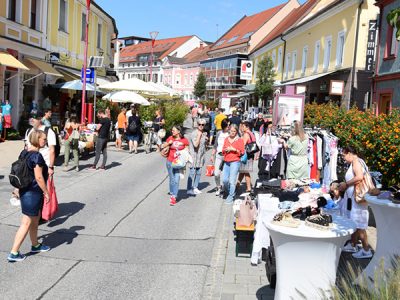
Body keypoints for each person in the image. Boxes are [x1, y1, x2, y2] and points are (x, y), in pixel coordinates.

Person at [7, 129, 50, 262]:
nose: (45, 141)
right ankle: (14, 252)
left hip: (26, 190)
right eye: (43, 139)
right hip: (33, 192)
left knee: (35, 219)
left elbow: (21, 172)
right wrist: (46, 192)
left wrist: (17, 189)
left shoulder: (24, 153)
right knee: (26, 223)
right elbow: (38, 177)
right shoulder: (36, 156)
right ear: (37, 139)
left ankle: (35, 244)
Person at [339, 146, 373, 259]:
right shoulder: (358, 161)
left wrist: (346, 184)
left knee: (360, 225)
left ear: (349, 153)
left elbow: (359, 177)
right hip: (355, 199)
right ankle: (353, 244)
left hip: (357, 199)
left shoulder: (356, 162)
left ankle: (366, 249)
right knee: (355, 223)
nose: (343, 158)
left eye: (344, 155)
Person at [162, 126, 189, 206]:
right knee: (172, 178)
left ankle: (174, 196)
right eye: (172, 130)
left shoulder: (184, 140)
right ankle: (172, 192)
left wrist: (186, 158)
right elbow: (163, 146)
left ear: (178, 131)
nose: (172, 131)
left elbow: (187, 151)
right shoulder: (170, 138)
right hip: (170, 162)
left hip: (179, 163)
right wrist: (168, 143)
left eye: (174, 130)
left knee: (176, 179)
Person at [26, 112, 56, 177]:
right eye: (30, 118)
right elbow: (26, 146)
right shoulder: (28, 131)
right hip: (30, 165)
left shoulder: (48, 131)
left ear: (40, 119)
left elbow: (52, 150)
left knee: (42, 184)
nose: (32, 120)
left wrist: (51, 167)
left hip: (43, 165)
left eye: (34, 118)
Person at [222, 124, 245, 204]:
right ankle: (229, 192)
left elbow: (242, 152)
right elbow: (223, 150)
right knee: (224, 180)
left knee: (232, 181)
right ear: (229, 131)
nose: (232, 133)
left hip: (235, 161)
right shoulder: (226, 139)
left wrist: (234, 149)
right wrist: (226, 150)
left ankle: (231, 196)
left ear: (236, 132)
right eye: (231, 131)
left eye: (234, 131)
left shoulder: (239, 140)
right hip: (227, 161)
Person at [187, 118, 208, 196]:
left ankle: (195, 187)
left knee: (199, 172)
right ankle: (189, 189)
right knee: (192, 172)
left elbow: (204, 146)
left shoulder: (204, 134)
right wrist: (199, 136)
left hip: (200, 156)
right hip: (193, 156)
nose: (201, 126)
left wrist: (206, 140)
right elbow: (195, 145)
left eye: (203, 125)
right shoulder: (194, 133)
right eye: (199, 124)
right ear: (197, 125)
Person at [210, 119, 229, 196]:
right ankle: (218, 187)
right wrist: (212, 155)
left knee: (225, 175)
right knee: (216, 173)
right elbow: (215, 145)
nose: (229, 127)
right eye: (227, 125)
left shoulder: (230, 134)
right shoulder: (219, 133)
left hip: (227, 156)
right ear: (224, 126)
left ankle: (224, 189)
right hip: (218, 155)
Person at [237, 121, 256, 193]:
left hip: (246, 154)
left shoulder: (246, 134)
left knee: (245, 171)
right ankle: (238, 184)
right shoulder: (251, 133)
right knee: (243, 170)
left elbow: (243, 144)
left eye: (243, 126)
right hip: (251, 154)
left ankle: (249, 187)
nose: (242, 127)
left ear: (247, 127)